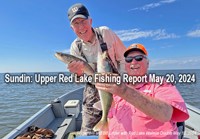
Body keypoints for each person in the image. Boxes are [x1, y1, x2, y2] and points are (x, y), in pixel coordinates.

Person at [95, 43, 190, 139]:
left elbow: (166, 114)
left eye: (139, 58)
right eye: (129, 60)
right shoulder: (117, 89)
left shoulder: (161, 84)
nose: (133, 62)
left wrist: (124, 91)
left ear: (148, 63)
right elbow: (107, 123)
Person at [66, 3, 126, 136]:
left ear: (90, 21)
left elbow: (123, 59)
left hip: (116, 88)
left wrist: (122, 83)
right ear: (72, 28)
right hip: (91, 92)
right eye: (76, 24)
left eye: (83, 21)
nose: (81, 27)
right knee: (87, 133)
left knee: (121, 129)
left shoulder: (106, 33)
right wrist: (77, 73)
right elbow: (78, 80)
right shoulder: (75, 47)